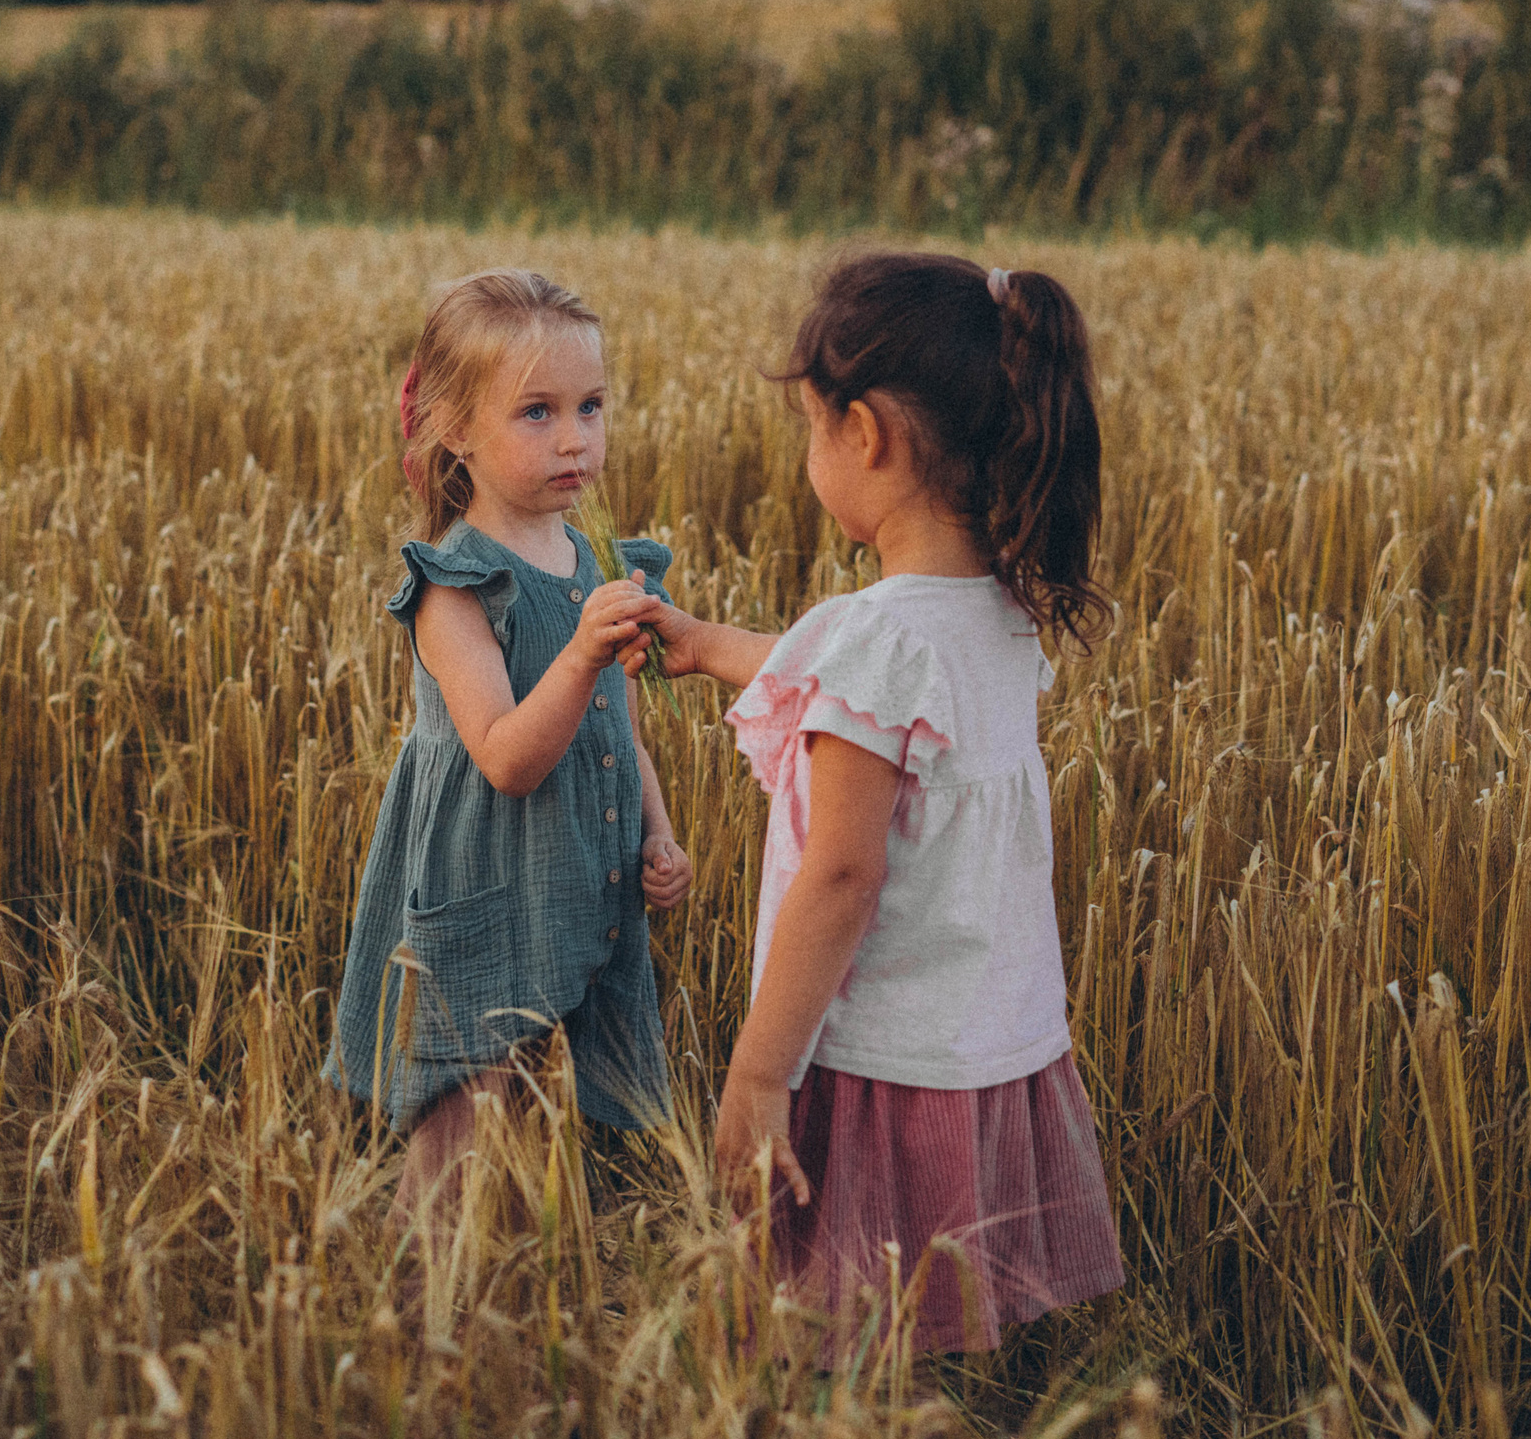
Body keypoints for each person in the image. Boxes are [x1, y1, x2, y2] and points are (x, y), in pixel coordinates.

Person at [650, 251, 1126, 1355]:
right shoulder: (998, 616)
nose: (811, 453)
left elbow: (842, 875)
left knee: (847, 1338)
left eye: (813, 428)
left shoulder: (872, 637)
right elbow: (862, 699)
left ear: (864, 434)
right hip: (984, 1046)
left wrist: (762, 1071)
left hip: (874, 1059)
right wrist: (708, 645)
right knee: (942, 1333)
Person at [323, 267, 696, 1214]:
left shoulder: (600, 561)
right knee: (469, 1109)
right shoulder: (456, 586)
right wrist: (579, 651)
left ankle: (514, 1304)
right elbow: (505, 753)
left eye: (591, 406)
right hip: (485, 878)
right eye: (537, 412)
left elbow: (623, 733)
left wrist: (657, 833)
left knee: (540, 1102)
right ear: (454, 427)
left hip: (577, 871)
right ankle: (426, 1318)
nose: (575, 438)